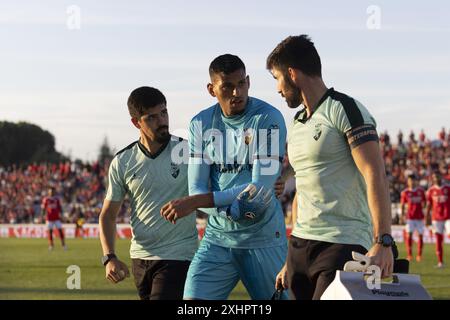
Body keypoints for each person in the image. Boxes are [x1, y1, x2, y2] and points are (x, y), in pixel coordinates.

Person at [266, 35, 394, 300]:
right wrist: (290, 257)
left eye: (277, 78)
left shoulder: (345, 109)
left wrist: (383, 241)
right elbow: (303, 185)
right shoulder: (298, 122)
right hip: (300, 246)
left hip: (342, 243)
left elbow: (375, 173)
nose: (278, 88)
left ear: (292, 74)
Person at [160, 54, 289, 300]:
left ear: (249, 82)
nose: (236, 92)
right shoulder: (200, 123)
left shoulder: (268, 119)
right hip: (218, 239)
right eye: (227, 86)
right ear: (211, 89)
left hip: (262, 237)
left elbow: (258, 191)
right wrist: (226, 211)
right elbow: (196, 187)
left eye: (241, 83)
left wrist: (199, 202)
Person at [99, 86, 198, 300]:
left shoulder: (188, 152)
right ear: (136, 123)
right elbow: (108, 214)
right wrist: (109, 258)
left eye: (164, 113)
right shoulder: (122, 161)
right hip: (140, 258)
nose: (162, 121)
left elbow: (218, 183)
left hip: (179, 255)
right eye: (152, 117)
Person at [426, 172, 450, 268]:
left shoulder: (448, 188)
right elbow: (428, 205)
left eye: (437, 176)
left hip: (448, 217)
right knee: (438, 240)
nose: (436, 178)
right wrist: (427, 217)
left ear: (441, 177)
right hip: (436, 218)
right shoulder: (431, 190)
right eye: (434, 177)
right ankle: (440, 262)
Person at [400, 174, 426, 262]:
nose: (412, 182)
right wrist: (402, 216)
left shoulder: (421, 191)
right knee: (409, 234)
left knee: (420, 235)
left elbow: (425, 203)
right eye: (410, 180)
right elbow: (402, 205)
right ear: (408, 181)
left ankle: (419, 255)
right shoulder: (405, 192)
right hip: (410, 217)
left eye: (413, 180)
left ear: (416, 181)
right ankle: (409, 255)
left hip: (419, 217)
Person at [41, 187, 67, 251]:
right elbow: (43, 208)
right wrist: (42, 215)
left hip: (56, 218)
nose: (51, 192)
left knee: (60, 231)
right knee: (50, 232)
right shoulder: (46, 199)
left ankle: (63, 245)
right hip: (49, 218)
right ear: (48, 192)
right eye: (50, 191)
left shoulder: (56, 199)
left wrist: (62, 214)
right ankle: (51, 245)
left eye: (52, 191)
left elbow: (60, 207)